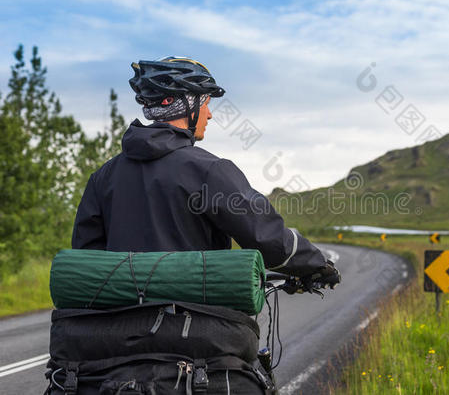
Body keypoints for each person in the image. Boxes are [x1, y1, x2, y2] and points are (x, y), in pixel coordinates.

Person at [72, 56, 340, 284]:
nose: (209, 115)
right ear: (188, 105)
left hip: (116, 328)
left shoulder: (103, 177)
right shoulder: (210, 171)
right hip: (196, 328)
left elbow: (87, 255)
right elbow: (267, 238)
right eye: (206, 103)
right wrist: (317, 266)